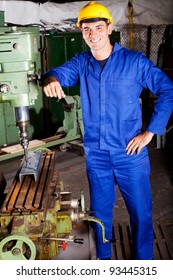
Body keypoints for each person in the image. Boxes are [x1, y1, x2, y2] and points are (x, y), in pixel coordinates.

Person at [42, 1, 173, 260]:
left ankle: (143, 265)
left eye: (98, 27)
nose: (93, 34)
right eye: (87, 29)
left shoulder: (134, 62)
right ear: (81, 32)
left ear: (110, 28)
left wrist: (150, 132)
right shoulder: (81, 63)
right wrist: (52, 79)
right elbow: (55, 73)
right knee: (99, 215)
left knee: (141, 213)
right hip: (97, 156)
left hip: (129, 154)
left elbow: (167, 89)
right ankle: (103, 262)